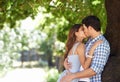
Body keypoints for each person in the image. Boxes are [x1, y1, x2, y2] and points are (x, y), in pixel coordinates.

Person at [60, 15, 110, 82]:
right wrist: (68, 66)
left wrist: (72, 76)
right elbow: (80, 60)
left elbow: (94, 70)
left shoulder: (102, 44)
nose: (84, 31)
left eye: (84, 28)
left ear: (90, 28)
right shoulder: (89, 41)